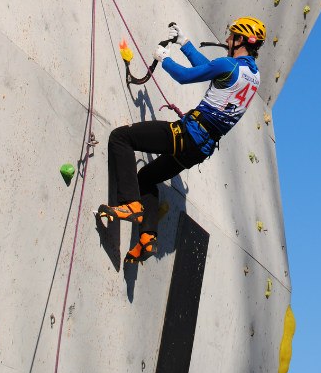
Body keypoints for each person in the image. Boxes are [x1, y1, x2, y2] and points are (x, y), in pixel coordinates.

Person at [99, 16, 266, 264]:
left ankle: (130, 204)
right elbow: (211, 69)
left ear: (240, 40)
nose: (228, 39)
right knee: (146, 178)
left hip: (187, 135)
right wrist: (184, 43)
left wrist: (163, 59)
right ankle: (147, 237)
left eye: (232, 36)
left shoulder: (228, 66)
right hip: (199, 150)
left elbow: (186, 76)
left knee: (121, 137)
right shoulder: (252, 75)